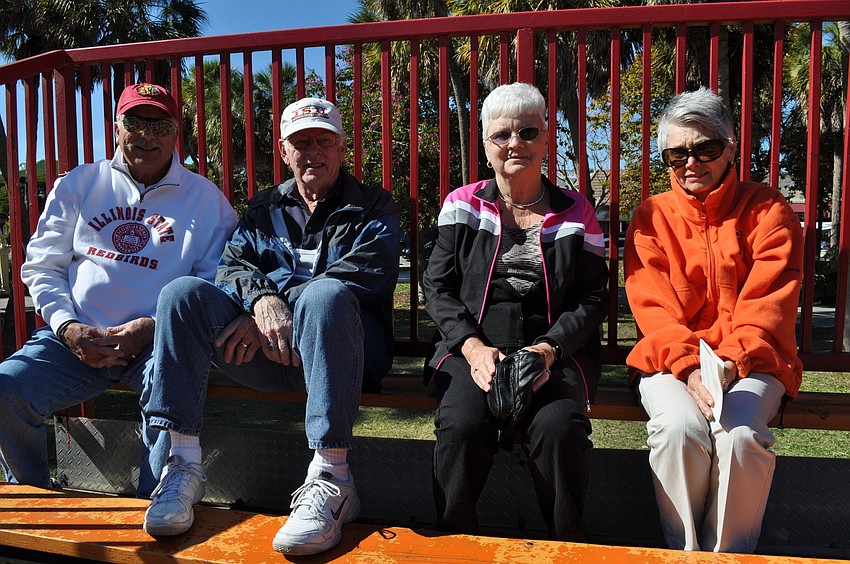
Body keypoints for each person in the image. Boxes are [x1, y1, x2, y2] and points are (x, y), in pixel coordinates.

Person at [140, 97, 401, 556]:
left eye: (324, 141)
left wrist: (279, 307)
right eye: (301, 142)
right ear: (284, 151)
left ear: (343, 148)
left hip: (346, 357)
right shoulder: (263, 207)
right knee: (180, 295)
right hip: (268, 356)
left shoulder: (374, 205)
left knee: (324, 296)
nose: (312, 151)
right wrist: (259, 301)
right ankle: (182, 464)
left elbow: (367, 273)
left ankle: (333, 477)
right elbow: (231, 266)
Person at [0, 83, 237, 495]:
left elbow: (213, 285)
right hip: (75, 339)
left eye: (160, 126)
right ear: (116, 128)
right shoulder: (80, 183)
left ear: (176, 133)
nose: (147, 135)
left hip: (159, 345)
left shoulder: (206, 200)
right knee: (7, 389)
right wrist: (68, 327)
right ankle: (30, 493)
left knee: (171, 398)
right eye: (135, 122)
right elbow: (42, 266)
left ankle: (153, 505)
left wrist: (153, 326)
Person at [422, 82, 609, 541]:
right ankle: (454, 541)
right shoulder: (462, 204)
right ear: (486, 145)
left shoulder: (577, 210)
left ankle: (568, 545)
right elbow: (438, 287)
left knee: (560, 428)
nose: (515, 144)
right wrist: (472, 348)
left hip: (552, 348)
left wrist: (548, 350)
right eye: (501, 135)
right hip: (473, 344)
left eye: (527, 132)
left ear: (545, 139)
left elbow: (593, 297)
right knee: (463, 426)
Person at [624, 87, 804, 553]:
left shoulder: (769, 210)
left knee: (740, 436)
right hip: (671, 363)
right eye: (677, 154)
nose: (692, 163)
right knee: (678, 430)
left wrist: (730, 362)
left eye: (706, 148)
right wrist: (689, 367)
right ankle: (684, 553)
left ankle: (729, 556)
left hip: (755, 362)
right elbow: (652, 307)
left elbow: (769, 303)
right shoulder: (651, 217)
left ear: (730, 148)